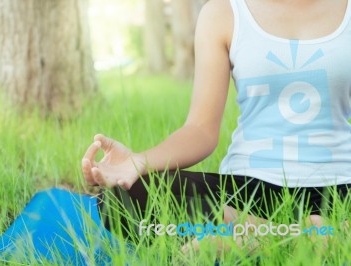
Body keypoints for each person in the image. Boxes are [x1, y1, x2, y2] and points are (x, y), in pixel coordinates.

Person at [82, 0, 351, 254]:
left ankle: (255, 237)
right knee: (122, 197)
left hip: (342, 185)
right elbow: (200, 129)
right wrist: (138, 161)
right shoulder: (223, 13)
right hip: (248, 191)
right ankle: (315, 235)